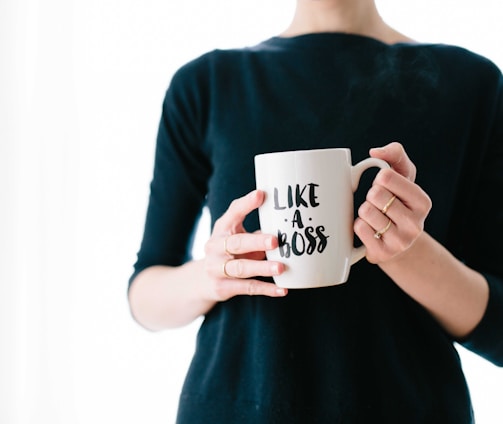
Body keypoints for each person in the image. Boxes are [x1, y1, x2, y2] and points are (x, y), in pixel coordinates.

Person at [128, 0, 503, 422]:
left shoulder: (471, 85)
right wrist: (212, 275)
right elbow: (145, 296)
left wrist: (407, 252)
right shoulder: (207, 85)